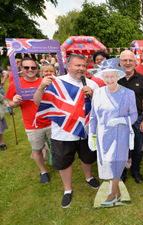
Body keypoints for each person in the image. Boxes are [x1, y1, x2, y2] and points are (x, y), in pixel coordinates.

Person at [33, 54, 100, 208]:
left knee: (88, 158)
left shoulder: (92, 84)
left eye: (83, 66)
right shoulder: (56, 82)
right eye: (78, 65)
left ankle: (89, 178)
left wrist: (93, 95)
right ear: (68, 66)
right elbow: (38, 102)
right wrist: (42, 86)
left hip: (86, 130)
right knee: (64, 162)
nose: (81, 69)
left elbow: (100, 108)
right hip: (62, 133)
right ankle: (67, 189)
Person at [89, 68, 137, 205]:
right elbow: (93, 116)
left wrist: (121, 120)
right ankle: (117, 192)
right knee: (107, 163)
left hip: (120, 134)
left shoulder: (128, 93)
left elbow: (134, 115)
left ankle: (112, 195)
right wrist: (92, 135)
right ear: (102, 78)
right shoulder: (97, 93)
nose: (109, 80)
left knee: (116, 162)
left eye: (112, 76)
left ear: (117, 76)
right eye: (106, 77)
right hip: (103, 135)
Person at [6, 58, 52, 184]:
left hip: (52, 122)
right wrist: (14, 102)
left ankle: (54, 160)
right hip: (32, 125)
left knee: (57, 147)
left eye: (33, 67)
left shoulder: (45, 81)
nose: (30, 70)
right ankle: (43, 171)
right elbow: (8, 103)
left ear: (37, 69)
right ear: (21, 69)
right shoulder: (15, 84)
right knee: (36, 150)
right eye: (26, 67)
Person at [118, 50, 143, 183]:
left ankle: (135, 171)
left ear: (135, 62)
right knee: (122, 148)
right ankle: (122, 172)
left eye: (130, 60)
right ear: (120, 63)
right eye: (124, 60)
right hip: (120, 121)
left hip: (138, 119)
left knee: (138, 147)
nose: (127, 63)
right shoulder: (115, 79)